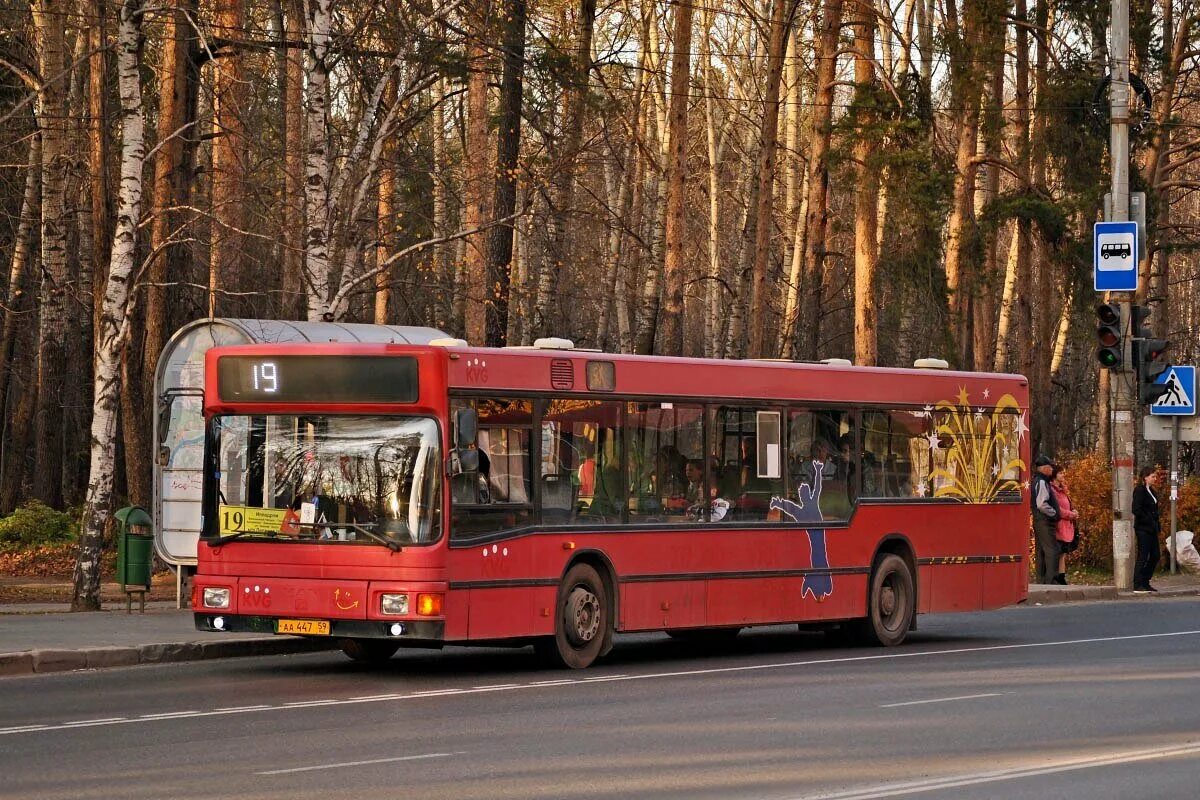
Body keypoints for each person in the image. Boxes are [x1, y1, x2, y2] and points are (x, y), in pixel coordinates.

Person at [1132, 465, 1162, 593]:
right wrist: (1148, 520)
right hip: (1143, 528)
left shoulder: (1152, 491)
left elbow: (1154, 510)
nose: (1154, 478)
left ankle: (1145, 580)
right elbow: (1136, 509)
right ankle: (1138, 583)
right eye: (1152, 476)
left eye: (1155, 476)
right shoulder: (1139, 490)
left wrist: (1156, 524)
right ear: (1145, 477)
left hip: (1152, 528)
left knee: (1155, 555)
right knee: (1143, 556)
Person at [1030, 454, 1060, 585]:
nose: (1052, 470)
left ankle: (1042, 579)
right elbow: (1041, 504)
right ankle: (1051, 580)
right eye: (1050, 467)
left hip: (1039, 520)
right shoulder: (1042, 482)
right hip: (1044, 520)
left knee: (1042, 550)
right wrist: (1054, 513)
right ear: (1043, 468)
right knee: (1052, 550)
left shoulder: (1037, 480)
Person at [1049, 466, 1080, 585]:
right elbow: (1059, 510)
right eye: (1061, 473)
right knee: (1058, 551)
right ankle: (1056, 576)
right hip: (1059, 524)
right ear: (1055, 475)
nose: (1063, 475)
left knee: (1063, 553)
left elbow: (1068, 504)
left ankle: (1062, 575)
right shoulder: (1052, 490)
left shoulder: (1063, 490)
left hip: (1067, 525)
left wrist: (1074, 511)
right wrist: (1071, 514)